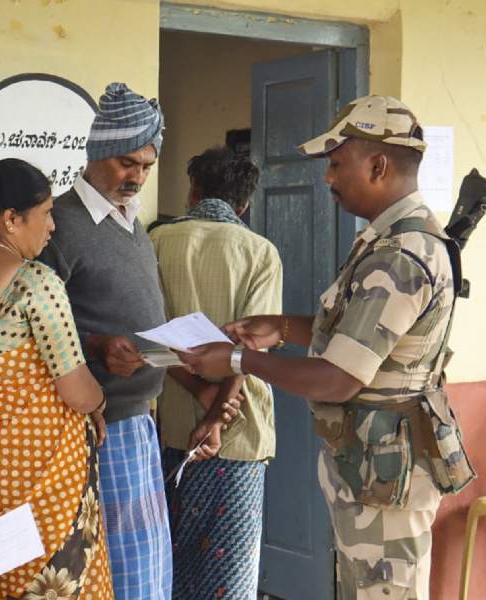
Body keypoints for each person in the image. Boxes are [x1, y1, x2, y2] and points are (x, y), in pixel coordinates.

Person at [177, 96, 476, 599]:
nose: (328, 179)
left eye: (337, 165)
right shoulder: (388, 241)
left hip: (386, 480)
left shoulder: (402, 254)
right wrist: (282, 328)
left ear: (378, 165)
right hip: (371, 468)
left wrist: (235, 359)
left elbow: (339, 377)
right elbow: (362, 333)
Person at [0, 158, 112, 599]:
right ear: (11, 220)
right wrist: (100, 403)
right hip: (41, 491)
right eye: (47, 213)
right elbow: (76, 389)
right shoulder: (35, 283)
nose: (53, 226)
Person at [37, 82, 173, 599]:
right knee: (116, 569)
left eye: (145, 166)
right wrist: (95, 345)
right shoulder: (59, 223)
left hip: (140, 419)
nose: (136, 177)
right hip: (95, 426)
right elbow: (41, 321)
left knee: (147, 563)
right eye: (125, 163)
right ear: (95, 155)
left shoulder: (135, 226)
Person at [149, 146, 282, 599]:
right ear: (243, 203)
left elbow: (156, 336)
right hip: (239, 432)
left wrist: (203, 400)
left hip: (175, 432)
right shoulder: (260, 252)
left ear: (194, 190)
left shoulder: (157, 242)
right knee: (230, 573)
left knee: (174, 562)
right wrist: (221, 412)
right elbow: (253, 343)